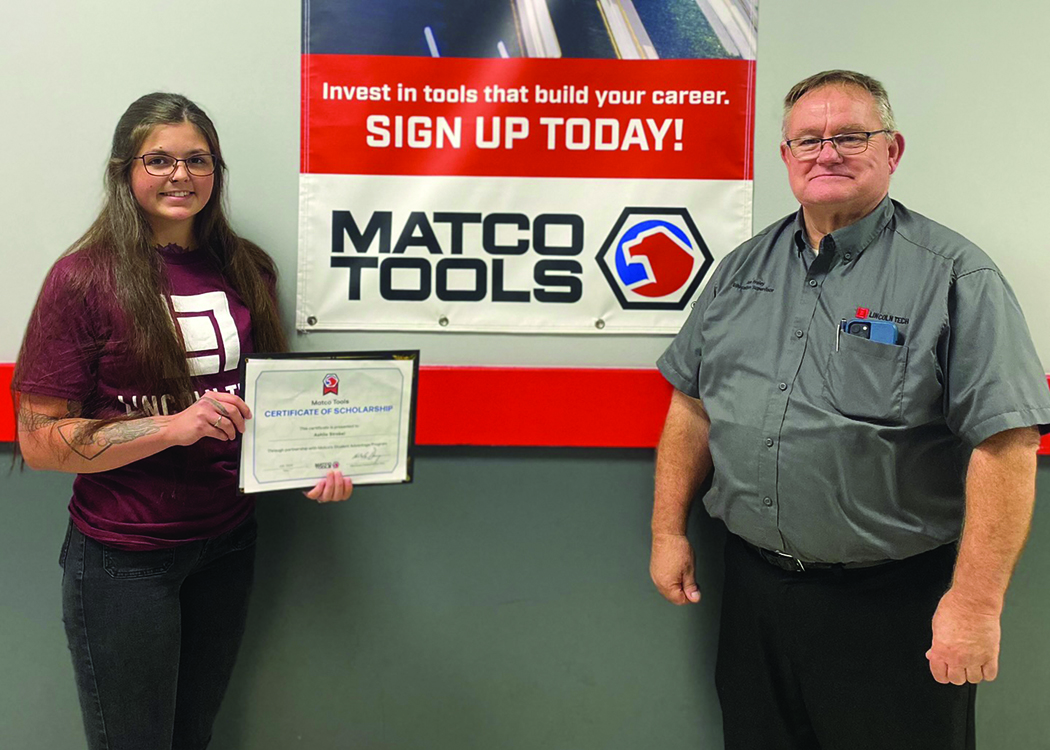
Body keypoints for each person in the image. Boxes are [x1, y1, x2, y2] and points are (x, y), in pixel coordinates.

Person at [650, 69, 1050, 749]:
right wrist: (668, 532)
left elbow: (1005, 446)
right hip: (754, 592)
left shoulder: (956, 277)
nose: (826, 153)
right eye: (807, 140)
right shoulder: (739, 271)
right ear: (784, 158)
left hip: (892, 605)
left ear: (892, 152)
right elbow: (691, 406)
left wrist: (976, 603)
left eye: (849, 137)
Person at [12, 93, 353, 750]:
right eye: (159, 159)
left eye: (198, 160)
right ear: (125, 172)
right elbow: (41, 441)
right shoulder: (82, 279)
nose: (180, 175)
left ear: (217, 171)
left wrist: (314, 463)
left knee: (192, 736)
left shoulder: (247, 268)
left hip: (228, 545)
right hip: (125, 559)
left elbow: (270, 403)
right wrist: (172, 427)